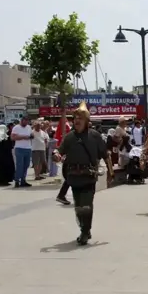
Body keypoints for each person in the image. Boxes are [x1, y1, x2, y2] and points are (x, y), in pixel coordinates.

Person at [53, 101, 113, 246]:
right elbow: (59, 150)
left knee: (86, 205)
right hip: (74, 176)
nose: (77, 121)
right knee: (78, 207)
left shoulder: (95, 136)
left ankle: (85, 231)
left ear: (86, 121)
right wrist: (56, 154)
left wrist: (111, 172)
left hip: (88, 175)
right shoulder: (70, 137)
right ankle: (84, 228)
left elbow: (105, 155)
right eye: (76, 118)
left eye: (80, 118)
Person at [10, 116, 33, 188]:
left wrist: (31, 136)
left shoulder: (29, 127)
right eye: (25, 121)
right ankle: (17, 180)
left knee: (26, 165)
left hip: (28, 148)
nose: (26, 122)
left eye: (27, 121)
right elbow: (12, 138)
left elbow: (31, 135)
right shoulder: (16, 128)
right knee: (20, 165)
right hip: (19, 148)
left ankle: (23, 180)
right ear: (22, 120)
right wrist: (23, 137)